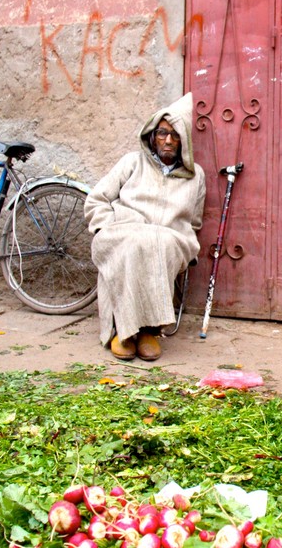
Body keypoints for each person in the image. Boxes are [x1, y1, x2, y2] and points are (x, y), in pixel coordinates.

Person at [84, 92, 206, 362]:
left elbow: (194, 221)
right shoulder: (132, 162)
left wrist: (180, 235)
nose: (168, 140)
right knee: (132, 244)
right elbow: (97, 199)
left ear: (183, 141)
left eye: (176, 135)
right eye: (162, 133)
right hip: (126, 230)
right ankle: (124, 331)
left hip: (169, 239)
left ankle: (149, 329)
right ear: (152, 135)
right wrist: (105, 226)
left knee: (156, 244)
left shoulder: (196, 176)